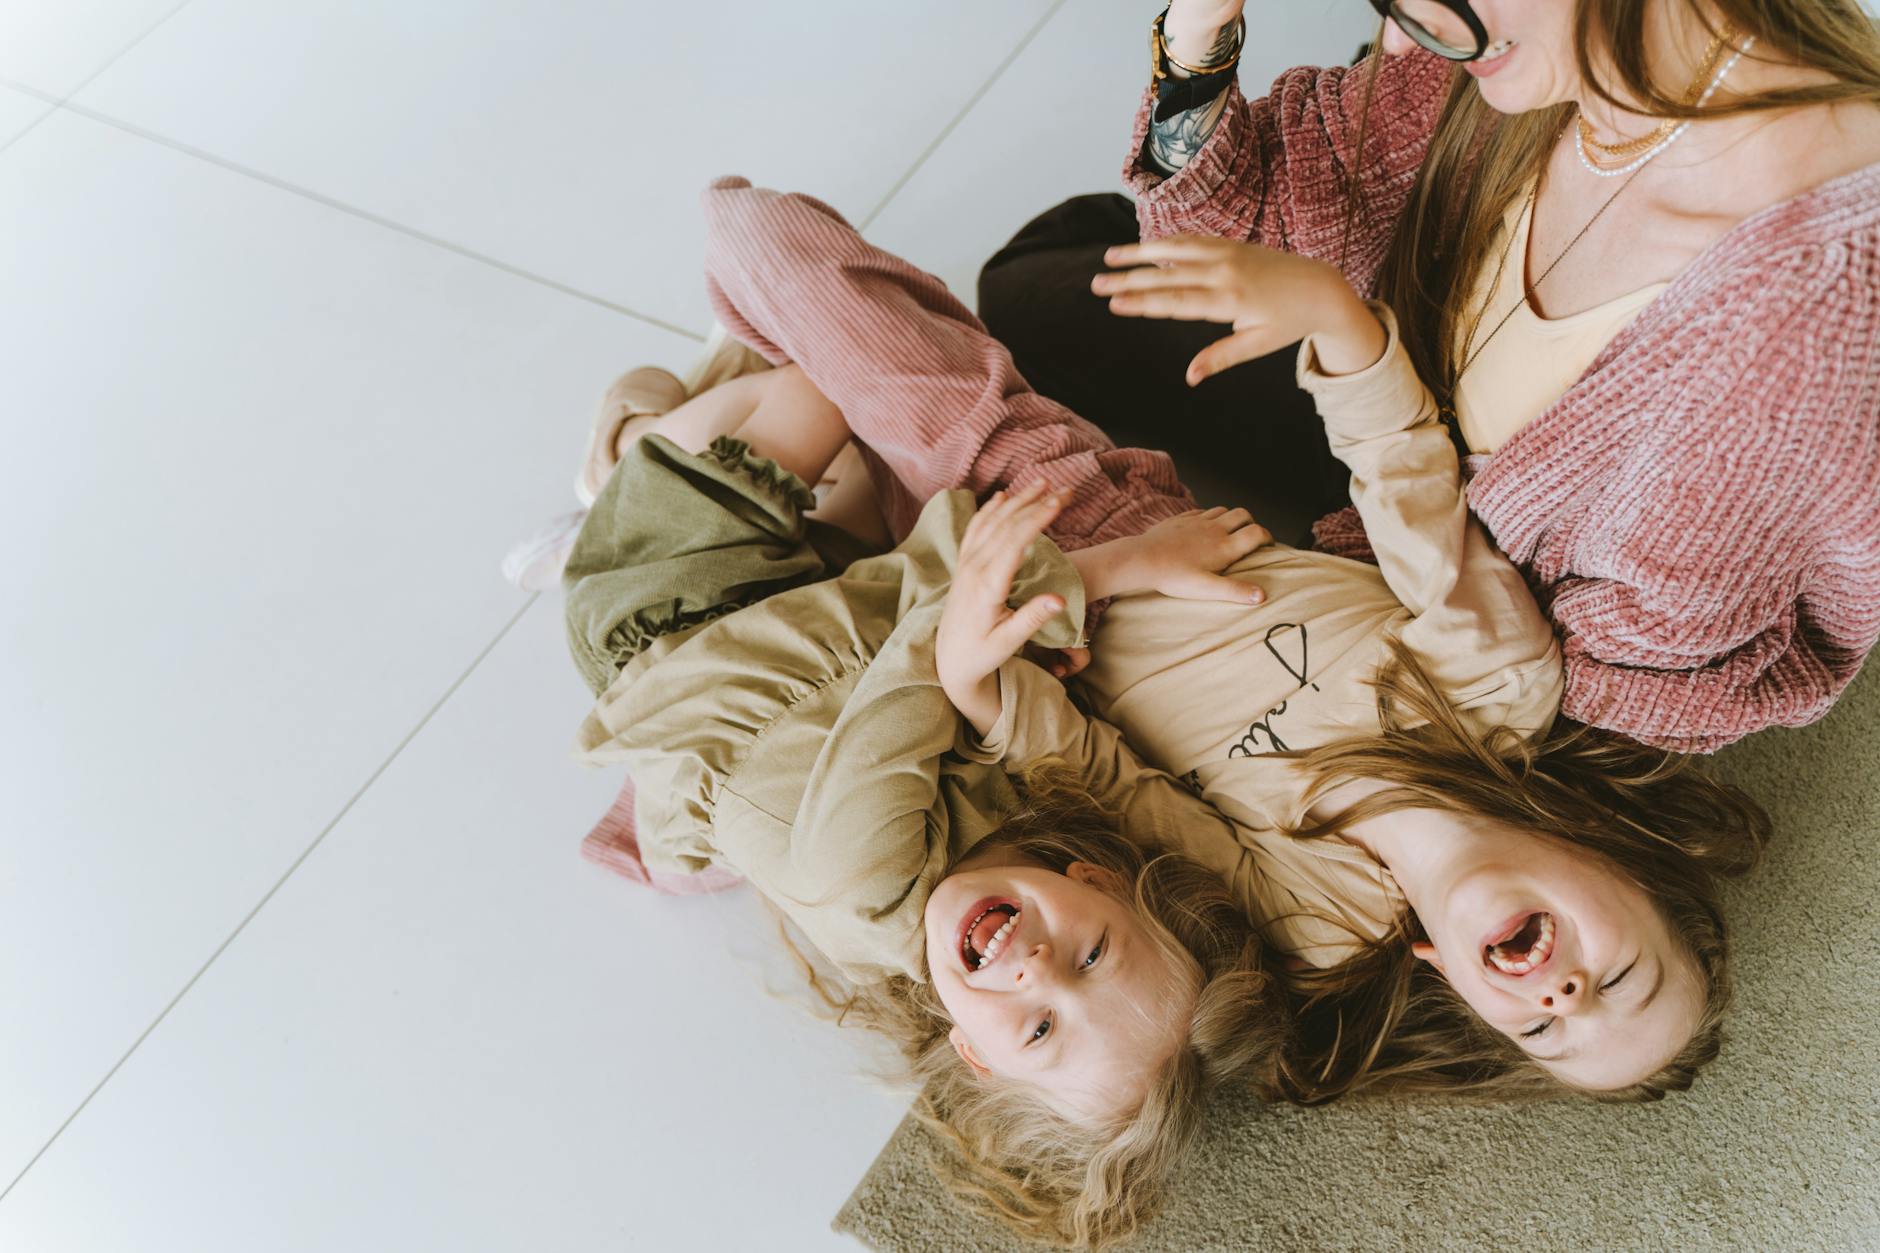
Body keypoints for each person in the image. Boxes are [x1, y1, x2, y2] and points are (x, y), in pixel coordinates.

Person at [574, 177, 1767, 1106]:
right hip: (1065, 491)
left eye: (1547, 1026)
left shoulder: (1316, 925)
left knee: (763, 334)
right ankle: (656, 475)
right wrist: (1340, 328)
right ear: (1622, 867)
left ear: (1462, 993)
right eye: (1617, 977)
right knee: (759, 242)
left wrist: (989, 687)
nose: (1561, 990)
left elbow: (1115, 791)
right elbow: (1408, 486)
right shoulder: (1499, 684)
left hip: (1011, 618)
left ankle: (668, 571)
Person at [982, 0, 1880, 751]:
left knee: (1029, 283)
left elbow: (1622, 678)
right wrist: (1199, 23)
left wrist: (1362, 374)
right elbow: (1202, 239)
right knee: (1040, 271)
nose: (1416, 27)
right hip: (1384, 391)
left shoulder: (1802, 323)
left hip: (1426, 531)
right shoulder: (1548, 45)